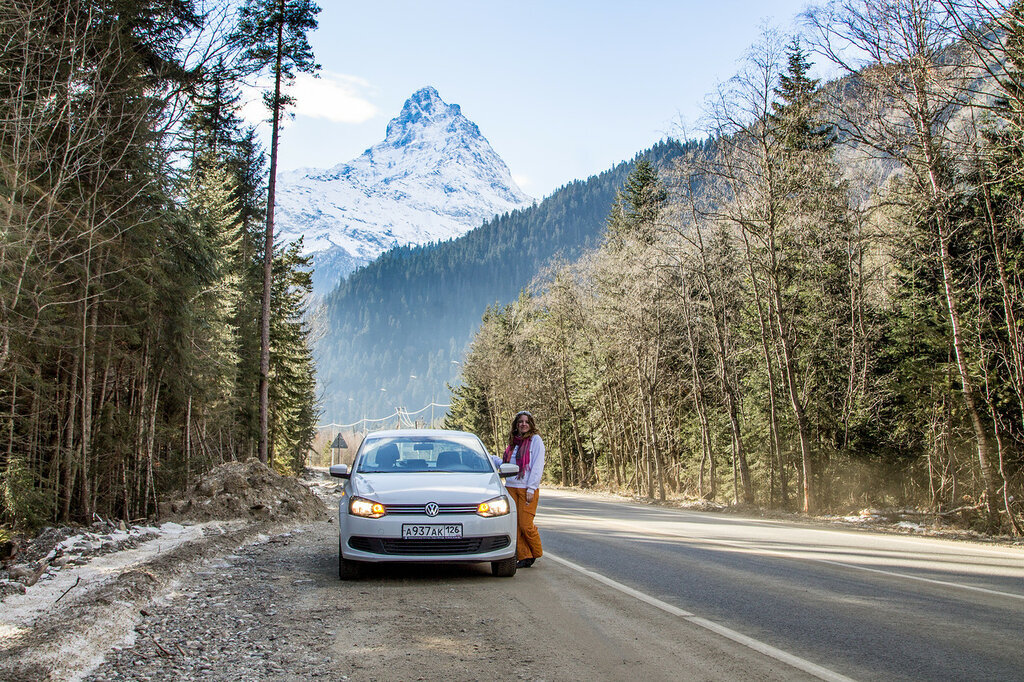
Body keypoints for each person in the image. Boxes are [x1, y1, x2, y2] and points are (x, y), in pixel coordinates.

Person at [503, 410, 545, 568]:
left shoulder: (535, 440)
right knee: (515, 524)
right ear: (516, 424)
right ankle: (524, 556)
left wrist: (531, 487)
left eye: (527, 421)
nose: (523, 424)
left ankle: (536, 551)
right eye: (520, 421)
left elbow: (537, 466)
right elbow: (505, 463)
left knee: (525, 524)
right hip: (511, 487)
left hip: (526, 488)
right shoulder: (513, 442)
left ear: (531, 424)